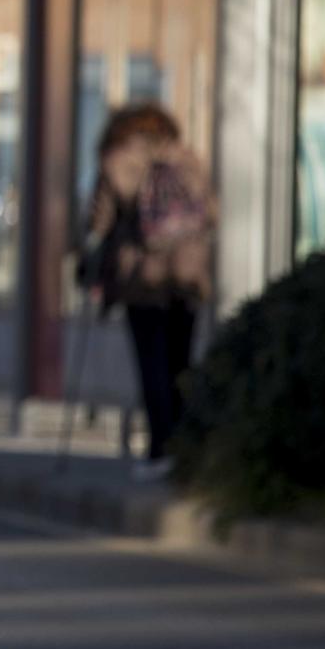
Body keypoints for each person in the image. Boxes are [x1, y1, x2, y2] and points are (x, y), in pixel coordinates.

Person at [83, 102, 216, 480]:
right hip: (187, 276)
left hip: (142, 278)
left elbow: (99, 221)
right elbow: (211, 212)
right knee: (180, 363)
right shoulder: (187, 159)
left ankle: (160, 447)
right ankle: (184, 447)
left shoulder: (119, 161)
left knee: (152, 365)